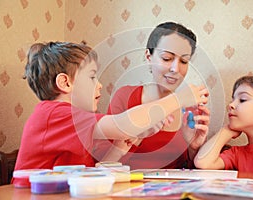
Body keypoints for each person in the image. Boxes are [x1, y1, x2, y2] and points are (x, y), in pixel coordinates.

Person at [14, 41, 209, 172]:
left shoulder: (78, 120)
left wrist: (122, 145)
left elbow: (96, 171)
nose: (99, 85)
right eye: (91, 77)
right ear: (65, 83)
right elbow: (123, 123)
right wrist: (179, 99)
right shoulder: (53, 114)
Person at [102, 21, 210, 169]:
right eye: (167, 58)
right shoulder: (125, 97)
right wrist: (138, 132)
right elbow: (104, 164)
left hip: (174, 190)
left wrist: (194, 147)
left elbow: (190, 172)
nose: (175, 69)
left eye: (184, 61)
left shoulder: (190, 108)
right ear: (148, 56)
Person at [194, 75, 253, 173]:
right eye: (232, 100)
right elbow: (202, 163)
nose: (230, 105)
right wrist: (226, 131)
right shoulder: (237, 154)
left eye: (242, 100)